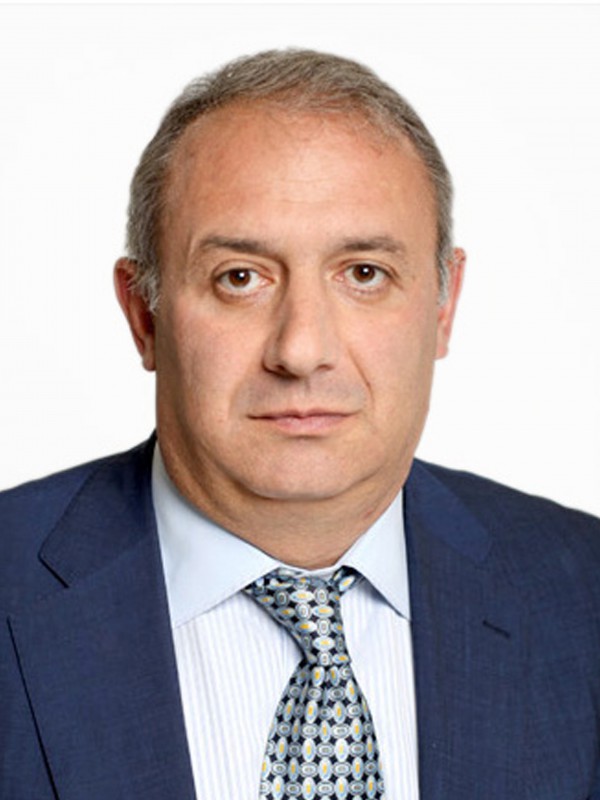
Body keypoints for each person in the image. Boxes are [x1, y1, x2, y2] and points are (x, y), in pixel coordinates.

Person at [1, 49, 599, 800]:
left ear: (443, 306)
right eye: (240, 278)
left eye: (364, 273)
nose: (301, 349)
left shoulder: (583, 593)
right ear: (143, 315)